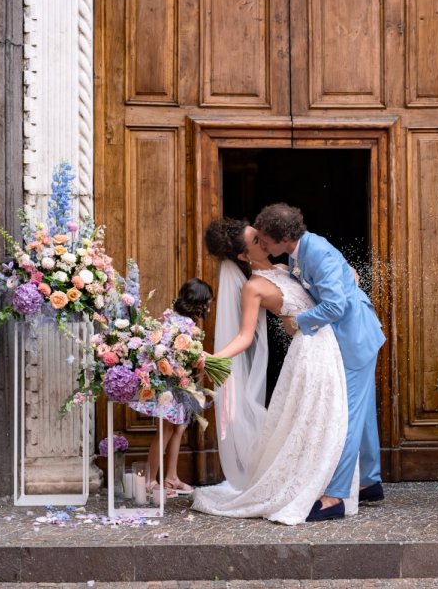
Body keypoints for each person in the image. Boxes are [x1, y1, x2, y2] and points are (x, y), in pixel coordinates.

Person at [190, 218, 350, 525]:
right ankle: (310, 489)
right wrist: (212, 358)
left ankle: (327, 487)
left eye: (260, 237)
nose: (264, 242)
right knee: (312, 420)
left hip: (326, 345)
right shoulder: (252, 287)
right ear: (242, 256)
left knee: (328, 417)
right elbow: (244, 336)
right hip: (308, 353)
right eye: (255, 241)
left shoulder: (284, 269)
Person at [254, 203, 386, 522]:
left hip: (354, 337)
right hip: (356, 336)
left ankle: (336, 496)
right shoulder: (300, 252)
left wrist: (298, 321)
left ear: (283, 237)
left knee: (350, 414)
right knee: (363, 410)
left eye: (264, 240)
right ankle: (370, 481)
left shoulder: (317, 251)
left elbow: (335, 307)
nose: (261, 246)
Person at [132, 278, 213, 496]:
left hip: (177, 382)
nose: (208, 307)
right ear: (198, 301)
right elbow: (177, 354)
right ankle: (150, 481)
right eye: (207, 302)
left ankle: (171, 477)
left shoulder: (173, 318)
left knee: (179, 427)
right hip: (168, 383)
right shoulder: (183, 325)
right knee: (166, 429)